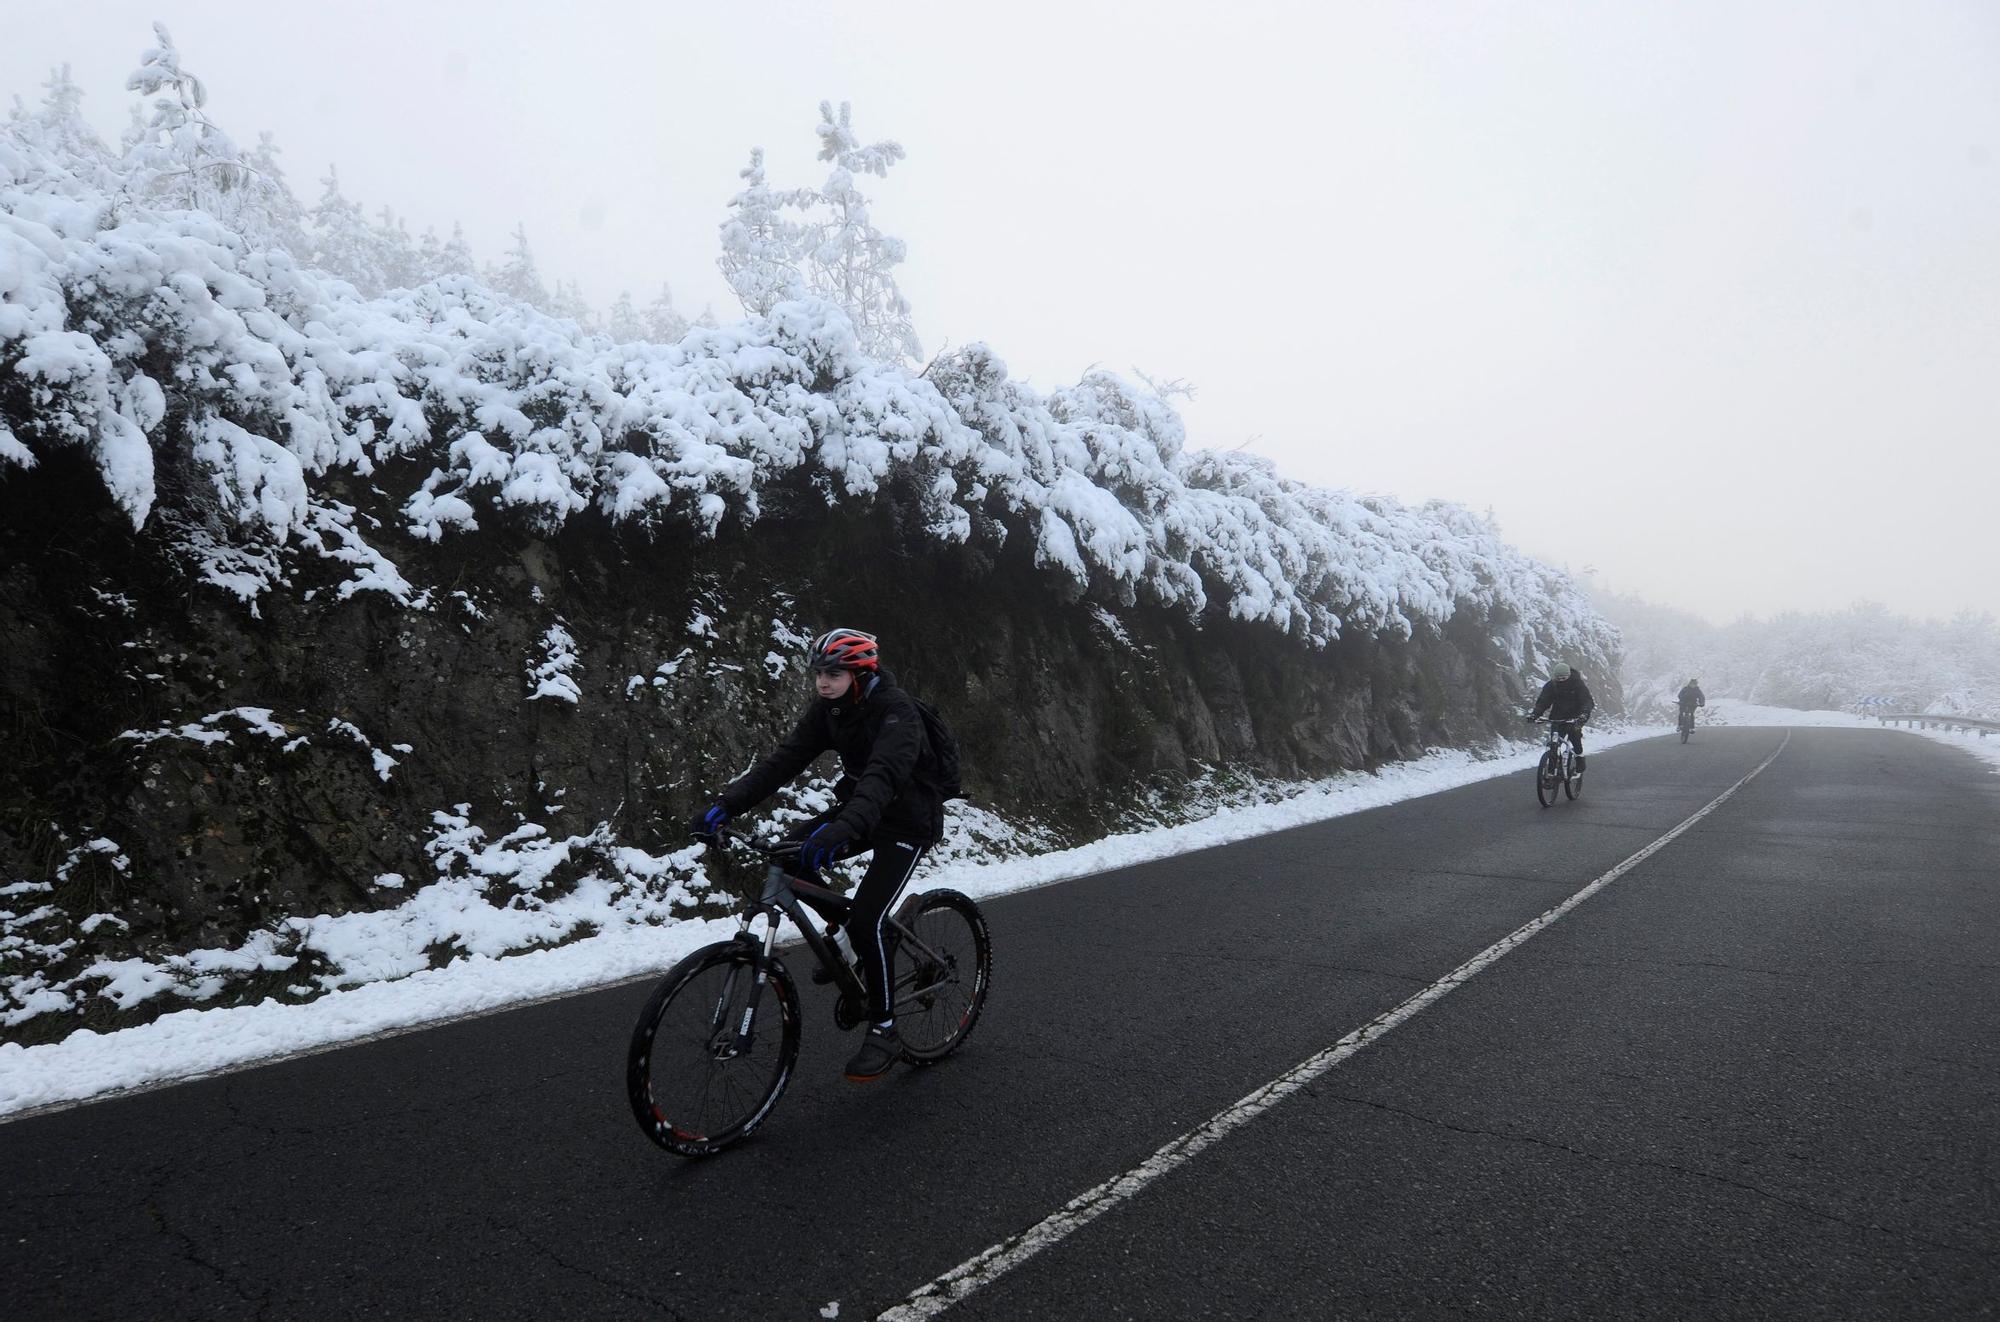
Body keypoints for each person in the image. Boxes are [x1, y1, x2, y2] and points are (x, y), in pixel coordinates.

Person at [691, 628, 945, 1083]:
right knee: (792, 857)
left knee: (869, 919)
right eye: (818, 675)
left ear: (860, 672)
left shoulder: (896, 713)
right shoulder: (830, 711)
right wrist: (726, 805)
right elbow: (783, 762)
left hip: (907, 818)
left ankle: (884, 1028)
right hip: (862, 810)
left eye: (833, 673)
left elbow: (883, 778)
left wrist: (843, 827)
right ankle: (849, 940)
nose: (823, 683)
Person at [1529, 661, 1596, 770]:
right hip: (1557, 716)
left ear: (1569, 676)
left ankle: (1580, 758)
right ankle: (1551, 770)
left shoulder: (1578, 684)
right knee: (1554, 743)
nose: (1560, 681)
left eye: (1563, 678)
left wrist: (1584, 713)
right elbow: (1543, 701)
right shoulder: (1551, 685)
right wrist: (1535, 714)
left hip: (1576, 715)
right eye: (1558, 678)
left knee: (1575, 736)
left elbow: (1587, 701)